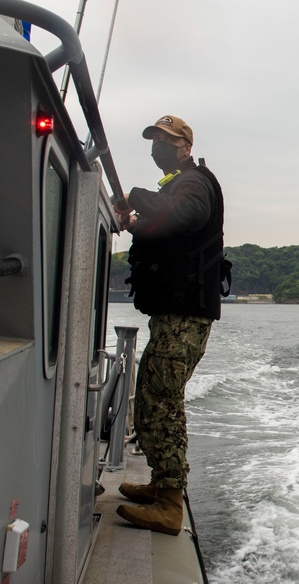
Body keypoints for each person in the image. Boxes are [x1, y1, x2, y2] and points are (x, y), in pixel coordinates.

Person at [113, 114, 225, 535]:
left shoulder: (194, 182)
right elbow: (165, 227)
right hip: (173, 314)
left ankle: (169, 503)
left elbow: (188, 216)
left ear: (184, 146)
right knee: (153, 397)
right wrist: (138, 224)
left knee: (161, 400)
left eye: (165, 138)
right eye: (153, 139)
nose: (157, 145)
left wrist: (135, 196)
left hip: (185, 316)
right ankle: (162, 485)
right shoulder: (178, 183)